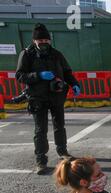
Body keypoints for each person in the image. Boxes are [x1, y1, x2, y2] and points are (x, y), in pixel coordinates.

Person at [16, 23, 81, 175]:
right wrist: (38, 75)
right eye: (40, 41)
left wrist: (75, 84)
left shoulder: (56, 54)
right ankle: (41, 160)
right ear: (34, 41)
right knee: (40, 130)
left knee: (60, 126)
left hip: (56, 96)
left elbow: (67, 72)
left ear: (50, 41)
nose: (44, 43)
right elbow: (20, 75)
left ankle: (63, 151)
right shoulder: (26, 54)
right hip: (37, 98)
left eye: (46, 41)